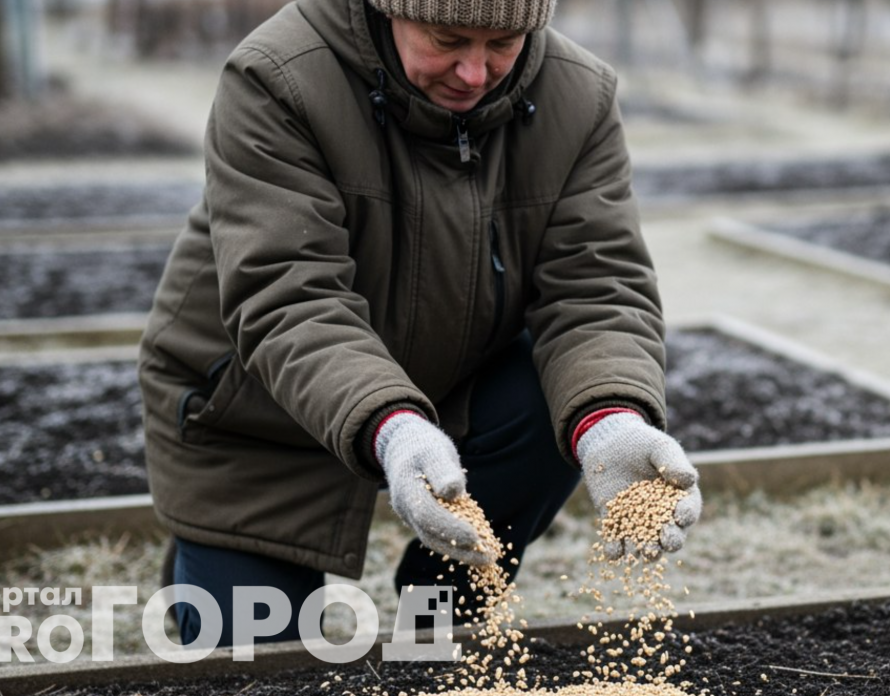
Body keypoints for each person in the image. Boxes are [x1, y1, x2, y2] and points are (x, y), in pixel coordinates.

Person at [137, 0, 702, 648]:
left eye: (503, 43)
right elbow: (288, 294)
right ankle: (213, 556)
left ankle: (441, 609)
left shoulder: (578, 96)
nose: (473, 72)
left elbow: (597, 285)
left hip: (450, 384)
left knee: (555, 397)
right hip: (262, 412)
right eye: (448, 39)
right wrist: (395, 430)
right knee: (255, 654)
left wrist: (611, 423)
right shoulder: (278, 77)